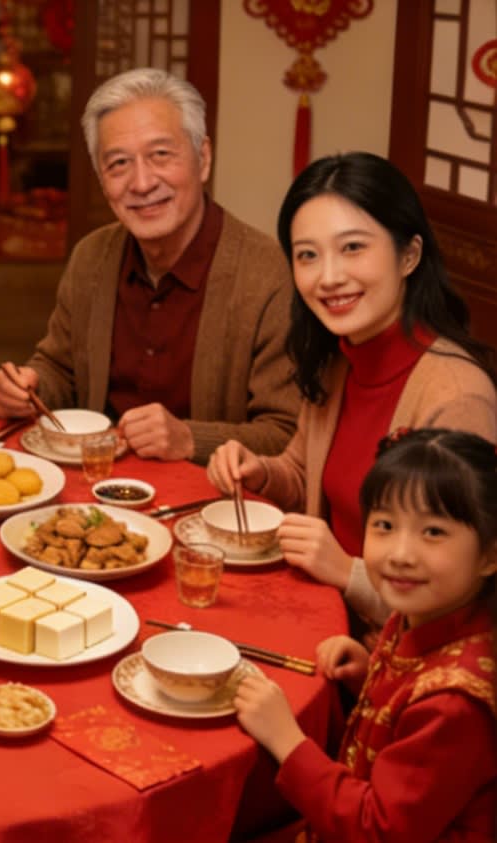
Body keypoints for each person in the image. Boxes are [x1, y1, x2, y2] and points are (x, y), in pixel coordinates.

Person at [207, 152, 497, 628]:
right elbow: (306, 474)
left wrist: (346, 572)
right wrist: (261, 472)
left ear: (409, 255)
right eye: (307, 255)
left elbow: (463, 599)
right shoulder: (339, 359)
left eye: (353, 248)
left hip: (383, 657)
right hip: (320, 614)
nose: (329, 277)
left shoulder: (455, 395)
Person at [0, 68, 298, 463]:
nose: (141, 183)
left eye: (161, 155)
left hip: (209, 506)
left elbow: (287, 434)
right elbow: (59, 368)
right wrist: (28, 389)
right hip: (96, 488)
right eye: (118, 163)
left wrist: (189, 439)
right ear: (102, 180)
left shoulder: (267, 275)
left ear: (202, 159)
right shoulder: (91, 258)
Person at [234, 428, 496, 841]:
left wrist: (287, 740)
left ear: (489, 554)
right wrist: (369, 674)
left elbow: (379, 829)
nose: (400, 554)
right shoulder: (423, 612)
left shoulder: (455, 704)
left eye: (433, 533)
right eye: (385, 524)